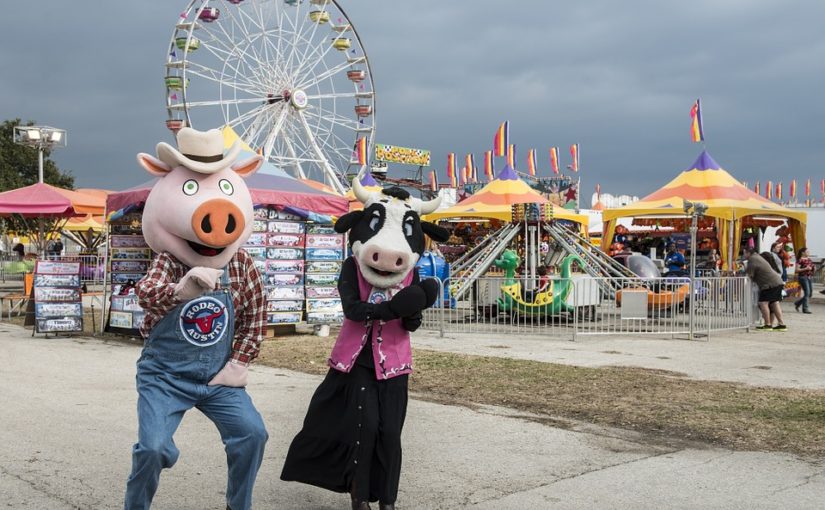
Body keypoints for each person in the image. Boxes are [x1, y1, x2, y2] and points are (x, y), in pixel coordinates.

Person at [745, 247, 787, 331]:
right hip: (777, 282)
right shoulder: (757, 257)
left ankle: (768, 325)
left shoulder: (752, 259)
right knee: (775, 303)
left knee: (763, 303)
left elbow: (750, 274)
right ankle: (781, 324)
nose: (744, 255)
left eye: (745, 253)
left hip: (769, 284)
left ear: (748, 253)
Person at [793, 247, 814, 314]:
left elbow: (811, 268)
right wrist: (806, 268)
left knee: (809, 294)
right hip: (802, 277)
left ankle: (797, 303)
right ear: (803, 253)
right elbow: (796, 270)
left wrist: (813, 269)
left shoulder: (809, 259)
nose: (809, 252)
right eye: (807, 251)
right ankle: (805, 309)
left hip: (809, 277)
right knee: (807, 293)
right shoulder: (800, 260)